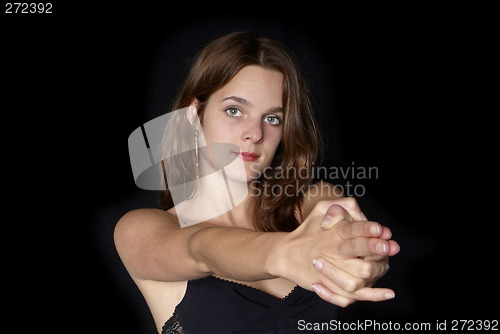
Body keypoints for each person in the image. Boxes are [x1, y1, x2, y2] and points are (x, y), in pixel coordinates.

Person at [115, 32, 400, 333]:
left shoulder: (311, 205)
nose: (255, 133)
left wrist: (356, 251)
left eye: (273, 119)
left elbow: (332, 215)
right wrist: (284, 253)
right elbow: (200, 249)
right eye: (234, 110)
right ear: (193, 115)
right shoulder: (141, 230)